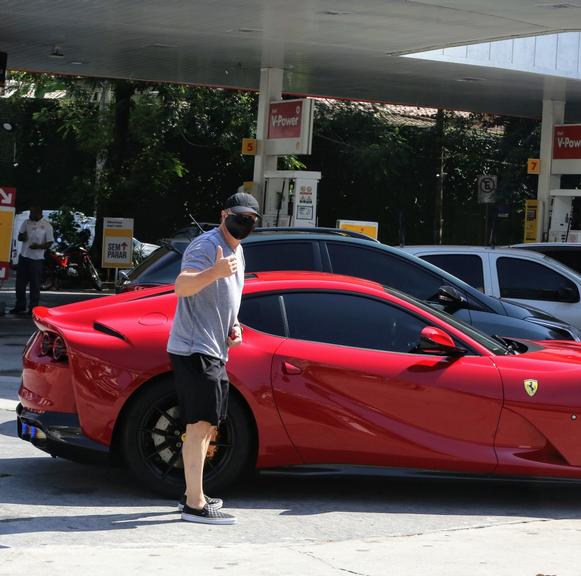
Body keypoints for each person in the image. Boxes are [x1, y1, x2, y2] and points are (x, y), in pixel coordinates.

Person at [167, 192, 260, 525]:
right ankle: (195, 503)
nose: (246, 223)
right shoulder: (206, 246)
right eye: (241, 217)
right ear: (224, 214)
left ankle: (194, 493)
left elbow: (228, 299)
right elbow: (181, 286)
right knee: (198, 426)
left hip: (214, 348)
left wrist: (233, 327)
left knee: (206, 426)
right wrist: (216, 271)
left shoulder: (238, 249)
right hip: (194, 348)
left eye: (252, 219)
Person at [11, 206, 54, 315]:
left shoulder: (47, 226)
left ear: (38, 213)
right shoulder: (26, 222)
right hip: (24, 256)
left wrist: (39, 246)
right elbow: (20, 236)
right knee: (20, 284)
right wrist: (22, 237)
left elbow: (49, 243)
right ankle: (20, 306)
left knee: (34, 285)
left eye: (32, 212)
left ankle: (33, 308)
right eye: (30, 212)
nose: (30, 214)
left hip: (37, 259)